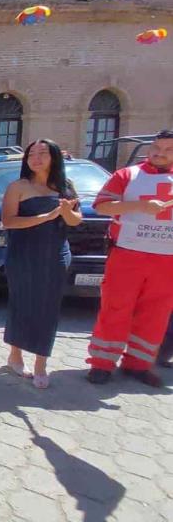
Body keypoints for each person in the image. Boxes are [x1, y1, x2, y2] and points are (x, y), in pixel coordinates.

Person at [87, 129, 173, 387]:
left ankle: (138, 364)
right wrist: (139, 207)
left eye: (168, 150)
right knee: (116, 308)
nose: (159, 153)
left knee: (155, 314)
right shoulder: (127, 175)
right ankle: (101, 363)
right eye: (156, 148)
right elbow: (101, 205)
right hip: (127, 253)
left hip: (167, 259)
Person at [2, 139, 82, 389]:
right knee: (21, 303)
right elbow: (9, 222)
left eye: (42, 153)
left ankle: (41, 363)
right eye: (31, 154)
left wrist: (67, 212)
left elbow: (75, 220)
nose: (36, 158)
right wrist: (46, 216)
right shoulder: (18, 187)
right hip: (23, 255)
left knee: (48, 309)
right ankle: (15, 356)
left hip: (55, 256)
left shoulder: (65, 187)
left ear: (54, 157)